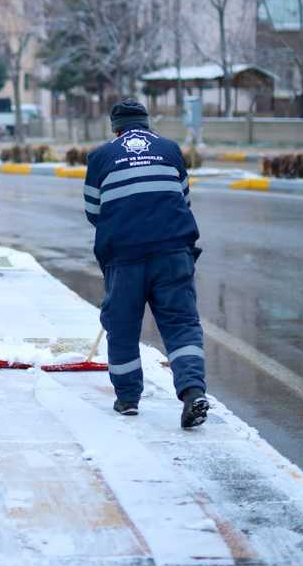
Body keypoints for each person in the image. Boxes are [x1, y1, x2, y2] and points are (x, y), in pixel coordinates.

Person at [83, 99, 209, 428]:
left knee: (122, 327)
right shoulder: (169, 150)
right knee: (181, 325)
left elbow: (93, 212)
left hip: (124, 258)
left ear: (115, 127)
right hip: (173, 253)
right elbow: (184, 200)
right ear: (146, 122)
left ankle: (127, 399)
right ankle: (193, 391)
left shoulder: (100, 157)